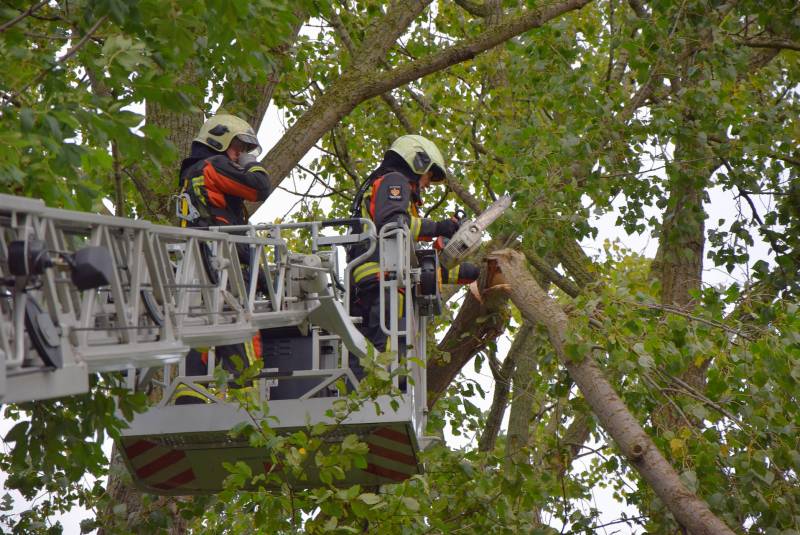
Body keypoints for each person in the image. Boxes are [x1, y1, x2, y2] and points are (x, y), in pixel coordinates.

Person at [348, 135, 480, 374]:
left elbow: (413, 261)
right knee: (387, 348)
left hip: (384, 278)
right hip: (383, 278)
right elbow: (392, 223)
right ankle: (379, 394)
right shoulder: (394, 180)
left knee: (380, 349)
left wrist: (466, 273)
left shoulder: (396, 194)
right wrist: (439, 227)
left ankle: (371, 394)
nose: (427, 184)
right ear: (417, 161)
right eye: (429, 176)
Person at [174, 114, 271, 404]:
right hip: (220, 259)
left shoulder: (193, 172)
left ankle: (191, 392)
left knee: (202, 322)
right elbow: (258, 186)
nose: (239, 154)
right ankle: (247, 398)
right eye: (236, 147)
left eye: (244, 149)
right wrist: (251, 165)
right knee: (239, 322)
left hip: (200, 259)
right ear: (218, 139)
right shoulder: (213, 165)